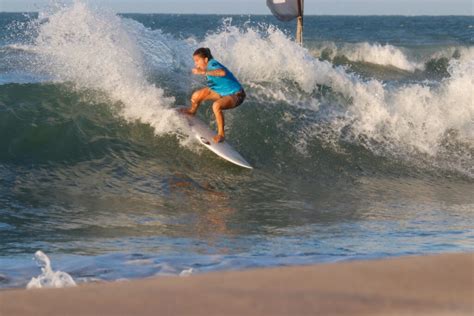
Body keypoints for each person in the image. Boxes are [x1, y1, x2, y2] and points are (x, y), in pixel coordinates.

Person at [180, 47, 246, 143]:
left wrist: (203, 72)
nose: (196, 63)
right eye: (195, 61)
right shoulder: (207, 66)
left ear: (206, 60)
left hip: (236, 95)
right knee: (196, 96)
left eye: (197, 61)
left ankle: (221, 135)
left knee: (216, 105)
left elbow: (222, 72)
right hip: (221, 92)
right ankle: (192, 111)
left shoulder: (213, 64)